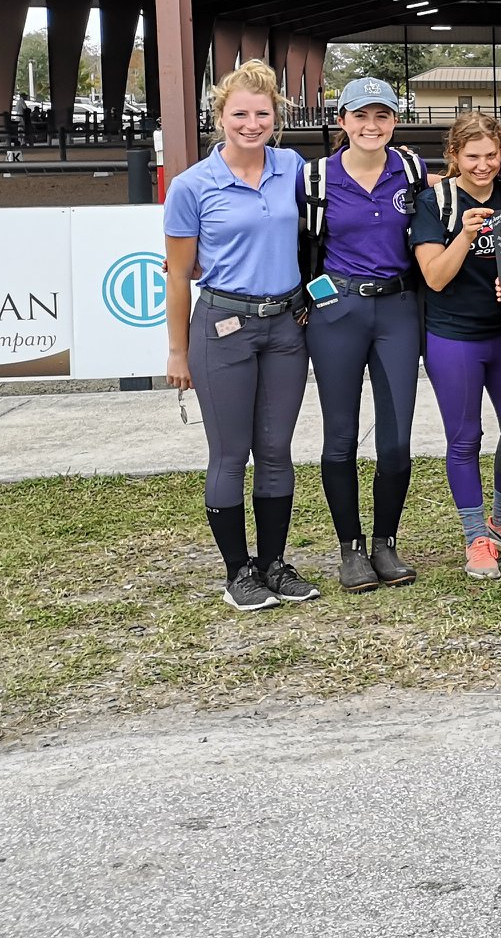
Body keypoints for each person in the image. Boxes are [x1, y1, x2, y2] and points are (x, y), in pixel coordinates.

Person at [162, 60, 316, 612]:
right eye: (239, 114)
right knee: (230, 454)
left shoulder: (292, 166)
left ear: (277, 116)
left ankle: (273, 563)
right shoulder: (192, 186)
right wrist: (177, 350)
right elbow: (178, 274)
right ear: (219, 116)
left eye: (262, 113)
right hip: (223, 327)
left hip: (285, 326)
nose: (251, 124)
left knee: (276, 450)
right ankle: (238, 574)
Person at [299, 77, 425, 592]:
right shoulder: (316, 178)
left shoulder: (411, 170)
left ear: (395, 122)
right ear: (343, 121)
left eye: (382, 117)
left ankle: (385, 543)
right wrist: (311, 297)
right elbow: (299, 242)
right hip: (339, 310)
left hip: (396, 308)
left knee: (395, 442)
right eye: (361, 116)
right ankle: (350, 548)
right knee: (341, 438)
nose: (371, 127)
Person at [411, 112, 501, 581]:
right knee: (465, 437)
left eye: (491, 155)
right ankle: (474, 536)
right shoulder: (435, 201)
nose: (482, 165)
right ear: (454, 156)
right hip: (453, 335)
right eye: (472, 156)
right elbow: (435, 277)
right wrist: (466, 233)